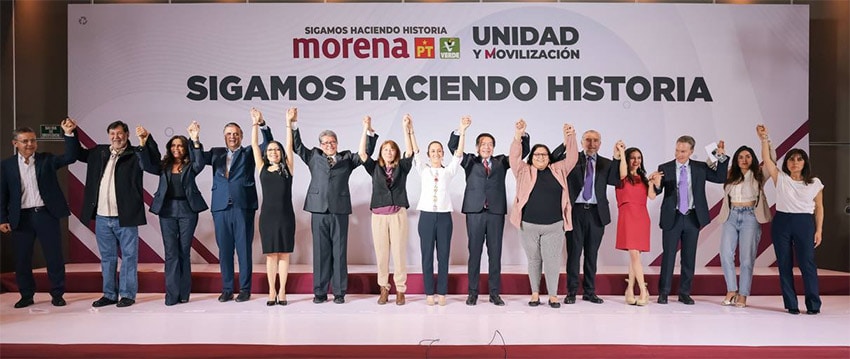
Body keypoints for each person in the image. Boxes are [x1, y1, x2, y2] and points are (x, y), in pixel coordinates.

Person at [293, 115, 378, 304]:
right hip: (318, 210)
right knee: (320, 253)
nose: (329, 145)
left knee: (339, 252)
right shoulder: (314, 156)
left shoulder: (347, 158)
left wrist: (368, 130)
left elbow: (366, 153)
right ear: (321, 145)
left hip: (339, 210)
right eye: (325, 142)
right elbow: (297, 147)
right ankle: (320, 292)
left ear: (337, 143)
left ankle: (339, 292)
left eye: (332, 142)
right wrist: (293, 124)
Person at [78, 121, 161, 308]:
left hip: (126, 217)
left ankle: (127, 294)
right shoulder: (99, 153)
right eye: (112, 134)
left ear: (127, 134)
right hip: (102, 216)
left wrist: (146, 142)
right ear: (108, 136)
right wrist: (70, 133)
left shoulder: (135, 154)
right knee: (107, 258)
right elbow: (76, 153)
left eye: (120, 134)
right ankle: (109, 294)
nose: (116, 137)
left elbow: (153, 166)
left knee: (129, 257)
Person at [448, 120, 529, 306]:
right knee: (474, 253)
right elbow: (454, 147)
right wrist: (461, 129)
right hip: (474, 212)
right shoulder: (469, 161)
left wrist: (520, 134)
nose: (487, 147)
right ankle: (472, 293)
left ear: (494, 147)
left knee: (495, 253)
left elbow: (520, 154)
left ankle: (494, 293)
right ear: (477, 147)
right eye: (483, 144)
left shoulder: (502, 161)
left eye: (490, 144)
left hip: (495, 212)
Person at [0, 119, 78, 308]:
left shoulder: (47, 159)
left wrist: (69, 134)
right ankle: (26, 295)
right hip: (21, 218)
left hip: (46, 215)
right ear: (15, 143)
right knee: (22, 259)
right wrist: (2, 218)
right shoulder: (6, 166)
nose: (30, 144)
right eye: (25, 141)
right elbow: (2, 194)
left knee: (54, 257)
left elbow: (71, 156)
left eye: (33, 141)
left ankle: (58, 294)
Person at [201, 114, 273, 303]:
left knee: (243, 250)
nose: (232, 136)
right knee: (224, 251)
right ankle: (226, 289)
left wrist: (261, 124)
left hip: (243, 207)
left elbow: (268, 143)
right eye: (228, 134)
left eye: (235, 134)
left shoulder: (250, 152)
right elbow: (197, 158)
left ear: (241, 136)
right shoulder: (216, 153)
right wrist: (195, 139)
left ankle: (245, 289)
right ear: (224, 136)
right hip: (220, 208)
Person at [509, 119, 577, 308]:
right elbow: (514, 158)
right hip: (528, 225)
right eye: (537, 154)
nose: (540, 157)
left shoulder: (558, 170)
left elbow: (572, 158)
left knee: (552, 260)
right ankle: (535, 293)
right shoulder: (523, 171)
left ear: (549, 157)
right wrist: (518, 135)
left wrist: (570, 136)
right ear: (531, 157)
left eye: (544, 154)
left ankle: (553, 295)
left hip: (554, 226)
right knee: (534, 260)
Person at [758, 124, 824, 315]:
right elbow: (767, 160)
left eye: (799, 159)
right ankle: (791, 304)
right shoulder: (781, 178)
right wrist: (764, 138)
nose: (795, 163)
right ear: (786, 163)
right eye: (791, 160)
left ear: (805, 162)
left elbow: (819, 207)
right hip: (782, 222)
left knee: (807, 264)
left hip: (804, 223)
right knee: (784, 264)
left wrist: (819, 230)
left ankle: (813, 305)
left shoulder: (815, 183)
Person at [654, 135, 728, 305]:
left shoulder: (700, 167)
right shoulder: (665, 167)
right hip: (672, 217)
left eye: (683, 151)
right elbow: (657, 191)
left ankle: (684, 292)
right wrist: (657, 184)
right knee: (668, 256)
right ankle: (663, 292)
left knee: (689, 256)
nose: (679, 154)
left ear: (691, 151)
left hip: (692, 217)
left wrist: (721, 156)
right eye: (677, 150)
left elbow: (720, 177)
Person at [141, 122, 208, 306]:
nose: (176, 148)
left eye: (179, 145)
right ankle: (171, 295)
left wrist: (195, 139)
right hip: (167, 211)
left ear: (185, 148)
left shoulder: (191, 165)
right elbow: (146, 164)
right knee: (171, 253)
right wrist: (144, 141)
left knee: (183, 252)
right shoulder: (164, 166)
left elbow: (200, 162)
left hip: (187, 211)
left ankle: (184, 294)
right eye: (173, 145)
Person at [552, 130, 620, 304]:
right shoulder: (572, 160)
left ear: (600, 143)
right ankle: (572, 292)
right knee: (574, 254)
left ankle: (590, 291)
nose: (592, 143)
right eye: (588, 140)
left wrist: (618, 158)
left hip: (597, 214)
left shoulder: (606, 163)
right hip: (575, 212)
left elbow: (615, 180)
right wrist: (567, 142)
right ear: (581, 142)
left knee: (592, 254)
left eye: (595, 140)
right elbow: (553, 159)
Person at [359, 115, 414, 306]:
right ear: (381, 152)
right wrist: (366, 128)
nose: (389, 152)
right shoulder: (374, 168)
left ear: (395, 153)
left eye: (391, 149)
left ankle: (400, 290)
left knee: (399, 253)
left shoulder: (403, 167)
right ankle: (383, 288)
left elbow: (410, 151)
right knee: (382, 254)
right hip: (379, 216)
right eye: (385, 149)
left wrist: (406, 128)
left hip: (397, 214)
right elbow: (362, 154)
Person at [412, 116, 466, 306]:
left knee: (443, 255)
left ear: (443, 153)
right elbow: (415, 151)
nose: (436, 153)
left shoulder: (448, 171)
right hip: (426, 217)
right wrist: (410, 130)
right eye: (432, 151)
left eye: (439, 151)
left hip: (444, 217)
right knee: (426, 255)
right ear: (428, 154)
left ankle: (442, 292)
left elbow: (458, 155)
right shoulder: (423, 170)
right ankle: (429, 292)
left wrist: (462, 130)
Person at [717, 143, 774, 308]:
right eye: (740, 157)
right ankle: (731, 290)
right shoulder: (729, 174)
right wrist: (719, 154)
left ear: (753, 159)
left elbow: (772, 159)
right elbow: (711, 166)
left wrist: (765, 140)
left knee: (747, 259)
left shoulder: (759, 174)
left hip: (750, 216)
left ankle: (743, 294)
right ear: (736, 160)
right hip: (731, 215)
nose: (744, 160)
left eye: (747, 156)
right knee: (726, 254)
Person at [251, 108, 296, 306]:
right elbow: (253, 144)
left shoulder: (288, 168)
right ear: (266, 153)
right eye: (270, 150)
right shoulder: (261, 168)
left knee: (284, 254)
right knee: (271, 256)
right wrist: (255, 123)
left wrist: (288, 123)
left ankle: (283, 291)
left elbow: (289, 144)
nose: (274, 152)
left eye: (276, 150)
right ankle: (271, 291)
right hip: (268, 217)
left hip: (286, 216)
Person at [613, 143, 660, 306]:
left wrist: (653, 182)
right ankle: (643, 290)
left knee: (635, 256)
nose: (636, 160)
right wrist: (621, 151)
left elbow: (652, 196)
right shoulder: (622, 176)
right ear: (627, 159)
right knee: (634, 255)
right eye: (632, 157)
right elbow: (624, 171)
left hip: (641, 217)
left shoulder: (644, 179)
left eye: (639, 158)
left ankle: (630, 291)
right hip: (627, 216)